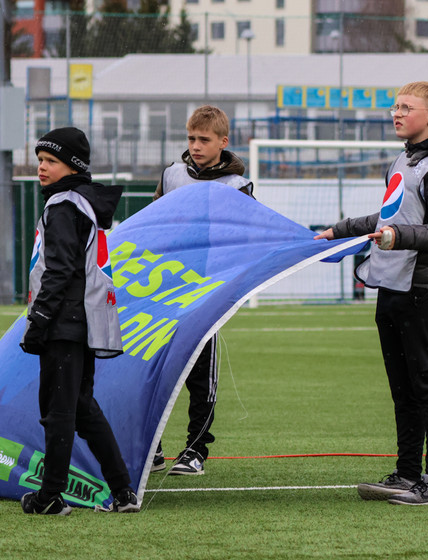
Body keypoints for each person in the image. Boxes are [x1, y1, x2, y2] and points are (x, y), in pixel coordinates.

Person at [314, 81, 428, 505]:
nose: (397, 113)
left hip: (422, 289)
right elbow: (390, 216)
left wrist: (396, 236)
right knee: (403, 388)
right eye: (395, 107)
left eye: (407, 107)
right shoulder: (405, 159)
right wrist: (340, 230)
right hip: (390, 284)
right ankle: (407, 474)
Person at [19, 127, 140, 515]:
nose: (42, 167)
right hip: (83, 319)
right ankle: (123, 491)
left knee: (58, 410)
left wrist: (40, 319)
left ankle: (50, 497)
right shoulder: (82, 202)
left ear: (72, 166)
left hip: (64, 321)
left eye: (51, 161)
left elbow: (60, 270)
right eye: (40, 160)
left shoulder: (62, 206)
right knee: (82, 408)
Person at [152, 105, 254, 476]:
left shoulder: (238, 186)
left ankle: (196, 450)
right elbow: (152, 223)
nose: (195, 146)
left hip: (206, 292)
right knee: (155, 370)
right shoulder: (172, 174)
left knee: (200, 373)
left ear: (223, 142)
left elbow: (247, 235)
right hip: (164, 289)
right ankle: (151, 448)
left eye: (204, 140)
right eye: (191, 138)